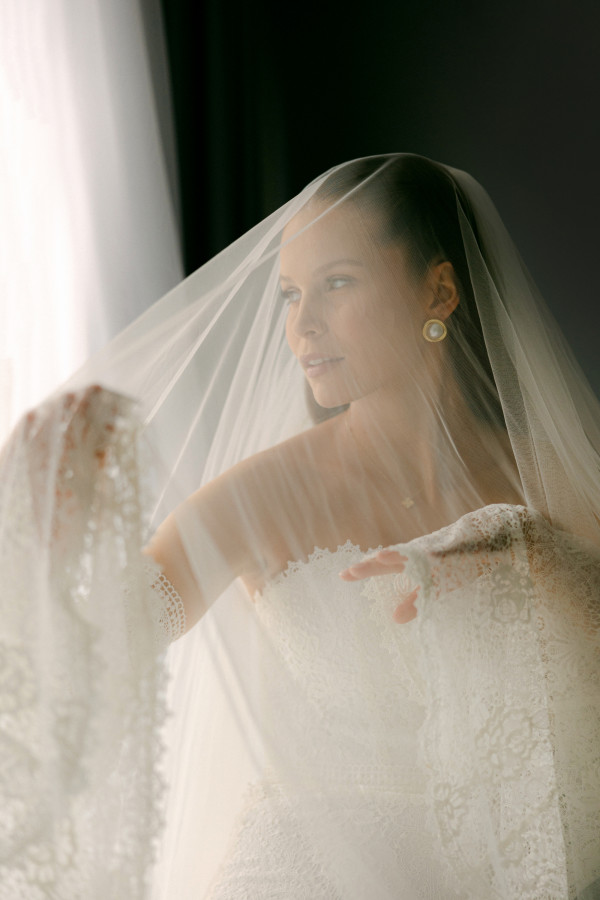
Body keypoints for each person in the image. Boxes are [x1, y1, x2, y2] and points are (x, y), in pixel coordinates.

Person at [1, 154, 599, 899]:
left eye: (337, 283)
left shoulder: (553, 481)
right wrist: (44, 542)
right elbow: (100, 652)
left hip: (509, 870)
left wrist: (535, 556)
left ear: (439, 291)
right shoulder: (260, 496)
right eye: (290, 294)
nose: (301, 326)